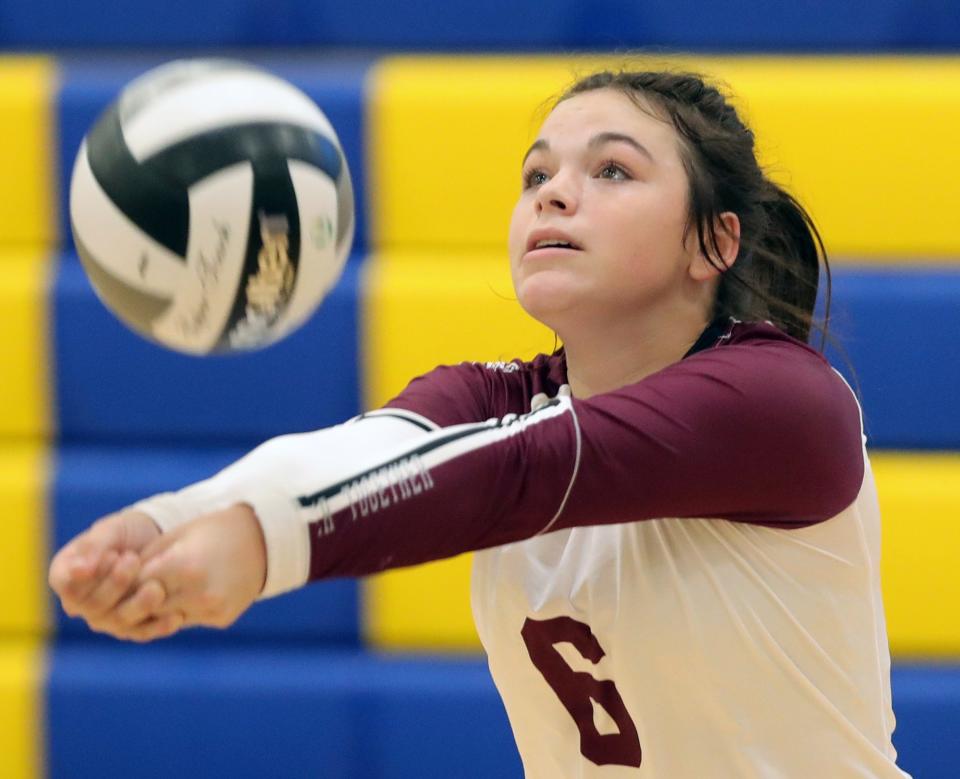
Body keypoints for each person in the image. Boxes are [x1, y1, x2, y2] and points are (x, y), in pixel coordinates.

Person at [49, 69, 910, 778]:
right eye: (537, 176)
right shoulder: (493, 400)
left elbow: (515, 473)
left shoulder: (784, 404)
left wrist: (256, 547)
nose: (556, 194)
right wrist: (163, 526)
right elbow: (358, 454)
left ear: (712, 243)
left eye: (611, 171)